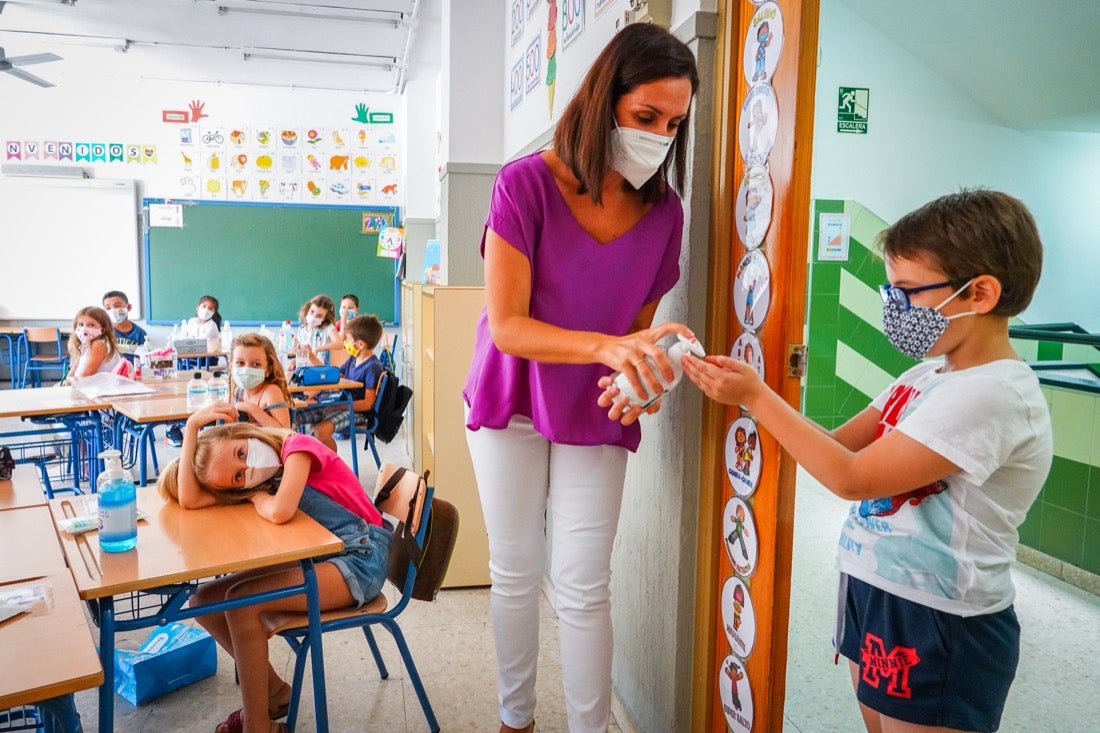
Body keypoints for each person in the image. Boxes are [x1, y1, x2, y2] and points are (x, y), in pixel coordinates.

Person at [681, 189, 1053, 733]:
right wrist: (749, 394)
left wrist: (759, 399)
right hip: (876, 591)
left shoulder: (993, 394)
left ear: (980, 293)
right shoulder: (927, 376)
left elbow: (851, 478)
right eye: (889, 290)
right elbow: (838, 444)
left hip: (941, 618)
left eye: (907, 291)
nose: (893, 307)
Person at [462, 23, 699, 733]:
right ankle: (516, 720)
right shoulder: (526, 183)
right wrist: (611, 349)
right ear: (605, 102)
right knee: (515, 569)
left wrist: (652, 375)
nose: (660, 136)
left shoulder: (665, 214)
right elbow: (507, 325)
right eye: (646, 118)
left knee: (584, 586)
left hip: (596, 405)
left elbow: (642, 330)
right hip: (514, 397)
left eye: (675, 124)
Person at [156, 402, 392, 733]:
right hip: (320, 558)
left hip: (361, 559)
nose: (248, 468)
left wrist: (255, 498)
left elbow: (280, 511)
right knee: (204, 601)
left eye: (240, 453)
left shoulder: (297, 447)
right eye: (238, 477)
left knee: (242, 604)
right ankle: (276, 693)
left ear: (242, 432)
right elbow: (191, 500)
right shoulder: (259, 482)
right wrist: (193, 426)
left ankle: (259, 727)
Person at [293, 314, 385, 452]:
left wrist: (338, 407)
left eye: (348, 339)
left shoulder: (373, 367)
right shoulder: (353, 359)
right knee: (294, 416)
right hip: (342, 404)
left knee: (320, 432)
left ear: (360, 344)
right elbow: (330, 376)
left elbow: (367, 404)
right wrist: (310, 356)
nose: (345, 342)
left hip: (359, 413)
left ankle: (333, 470)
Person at [228, 333, 292, 428]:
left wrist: (251, 409)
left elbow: (285, 431)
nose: (246, 370)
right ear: (231, 366)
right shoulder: (235, 392)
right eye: (240, 363)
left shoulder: (271, 392)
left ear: (268, 370)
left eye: (256, 364)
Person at [62, 306, 126, 384]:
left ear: (103, 330)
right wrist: (68, 382)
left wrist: (69, 381)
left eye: (91, 325)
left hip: (102, 391)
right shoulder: (83, 345)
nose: (84, 329)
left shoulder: (98, 344)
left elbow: (84, 377)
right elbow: (71, 373)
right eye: (81, 324)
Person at [293, 294, 341, 368]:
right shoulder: (301, 330)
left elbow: (339, 344)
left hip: (321, 370)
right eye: (312, 312)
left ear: (325, 318)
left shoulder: (327, 328)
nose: (313, 317)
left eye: (319, 316)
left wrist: (317, 349)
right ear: (307, 309)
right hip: (305, 368)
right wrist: (294, 361)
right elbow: (301, 354)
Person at [102, 290, 148, 362]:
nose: (113, 310)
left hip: (131, 371)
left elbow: (143, 359)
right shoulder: (103, 331)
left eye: (117, 306)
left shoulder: (140, 333)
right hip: (109, 372)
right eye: (108, 308)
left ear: (128, 307)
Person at [330, 293, 360, 368]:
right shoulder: (336, 325)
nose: (346, 311)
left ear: (357, 310)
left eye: (350, 308)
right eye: (343, 307)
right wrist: (343, 320)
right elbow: (340, 339)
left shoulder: (360, 325)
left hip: (354, 359)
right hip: (338, 360)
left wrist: (344, 319)